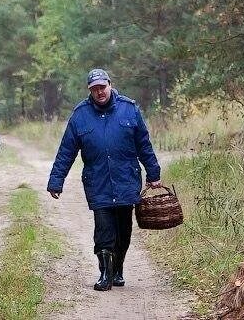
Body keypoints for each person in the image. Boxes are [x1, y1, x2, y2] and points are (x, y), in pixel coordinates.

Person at [47, 68, 162, 291]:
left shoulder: (129, 110)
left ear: (110, 84)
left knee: (124, 230)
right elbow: (66, 151)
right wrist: (56, 181)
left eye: (102, 87)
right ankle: (105, 274)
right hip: (97, 182)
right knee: (104, 229)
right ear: (89, 90)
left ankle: (118, 268)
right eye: (94, 89)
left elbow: (144, 145)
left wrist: (153, 173)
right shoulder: (80, 115)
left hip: (126, 179)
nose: (99, 92)